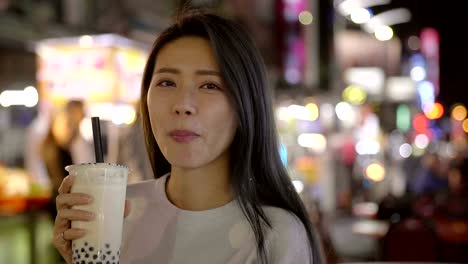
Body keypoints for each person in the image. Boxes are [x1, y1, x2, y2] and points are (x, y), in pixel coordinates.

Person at [52, 9, 323, 264]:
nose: (182, 104)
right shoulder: (114, 213)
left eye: (209, 85)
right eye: (167, 83)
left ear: (245, 105)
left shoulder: (276, 234)